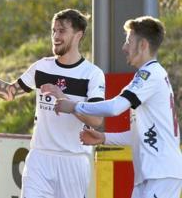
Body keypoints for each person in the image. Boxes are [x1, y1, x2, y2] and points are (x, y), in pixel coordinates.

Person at [0, 9, 105, 198]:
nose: (56, 36)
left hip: (73, 161)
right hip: (39, 158)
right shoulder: (42, 66)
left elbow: (96, 119)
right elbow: (9, 93)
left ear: (78, 35)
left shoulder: (92, 74)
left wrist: (64, 99)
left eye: (62, 31)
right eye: (53, 30)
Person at [55, 16, 182, 198]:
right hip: (154, 175)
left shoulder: (149, 75)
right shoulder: (151, 75)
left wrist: (75, 106)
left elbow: (115, 107)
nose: (124, 47)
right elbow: (139, 135)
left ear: (143, 45)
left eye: (128, 41)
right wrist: (104, 137)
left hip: (160, 174)